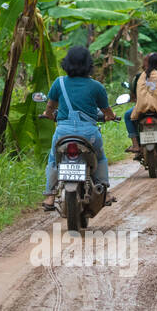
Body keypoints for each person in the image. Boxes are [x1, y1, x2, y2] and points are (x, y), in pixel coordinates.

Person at [41, 45, 117, 212]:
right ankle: (104, 190)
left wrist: (47, 114)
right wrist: (111, 116)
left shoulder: (58, 83)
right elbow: (107, 112)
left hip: (63, 133)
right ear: (89, 65)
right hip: (88, 134)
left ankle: (50, 196)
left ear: (66, 63)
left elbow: (50, 106)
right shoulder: (96, 86)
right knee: (100, 157)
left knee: (54, 159)